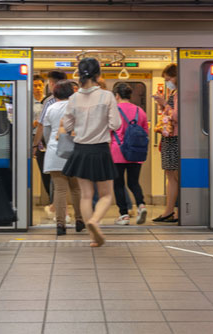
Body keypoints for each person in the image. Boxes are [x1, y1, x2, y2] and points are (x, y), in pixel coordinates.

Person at [60, 58, 121, 247]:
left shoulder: (73, 98)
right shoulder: (107, 96)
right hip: (100, 149)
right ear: (98, 75)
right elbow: (115, 124)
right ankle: (95, 221)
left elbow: (67, 125)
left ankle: (93, 237)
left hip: (80, 150)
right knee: (106, 195)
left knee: (86, 195)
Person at [43, 80, 84, 235]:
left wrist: (51, 145)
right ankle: (80, 220)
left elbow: (47, 132)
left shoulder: (50, 108)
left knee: (60, 190)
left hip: (55, 151)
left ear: (55, 93)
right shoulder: (76, 108)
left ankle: (60, 225)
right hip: (74, 151)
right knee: (76, 189)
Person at [111, 83, 149, 225]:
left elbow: (109, 130)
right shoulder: (140, 111)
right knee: (134, 182)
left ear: (117, 96)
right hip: (135, 152)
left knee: (119, 184)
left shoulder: (114, 110)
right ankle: (141, 205)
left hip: (117, 152)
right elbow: (145, 132)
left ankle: (124, 215)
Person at [32, 70, 67, 218]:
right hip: (70, 145)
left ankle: (59, 213)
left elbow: (42, 126)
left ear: (51, 84)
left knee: (56, 180)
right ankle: (74, 215)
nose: (39, 88)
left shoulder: (49, 102)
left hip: (49, 144)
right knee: (72, 184)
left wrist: (37, 144)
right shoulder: (75, 101)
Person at [152, 63, 179, 222]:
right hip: (170, 137)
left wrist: (164, 103)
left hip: (174, 138)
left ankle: (170, 211)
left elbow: (177, 116)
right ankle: (169, 210)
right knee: (170, 175)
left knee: (174, 175)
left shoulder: (178, 94)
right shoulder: (174, 92)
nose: (168, 81)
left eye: (169, 78)